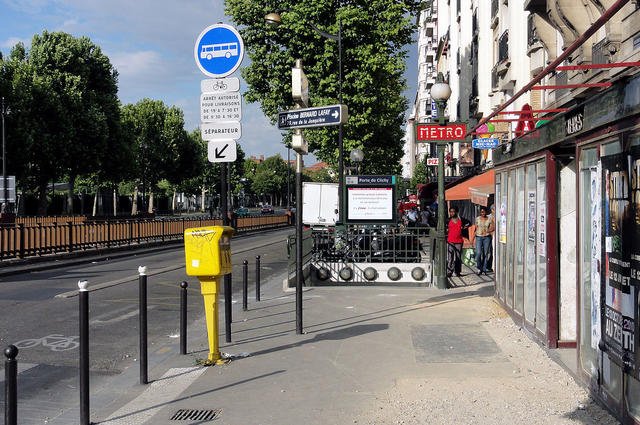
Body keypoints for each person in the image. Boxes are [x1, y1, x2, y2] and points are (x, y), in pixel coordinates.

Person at [446, 206, 470, 277]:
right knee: (450, 256)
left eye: (453, 211)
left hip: (459, 241)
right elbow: (445, 227)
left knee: (458, 257)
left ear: (456, 212)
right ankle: (449, 271)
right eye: (450, 212)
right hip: (450, 240)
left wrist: (463, 228)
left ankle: (457, 271)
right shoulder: (448, 220)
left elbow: (469, 223)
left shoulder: (461, 220)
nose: (452, 213)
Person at [474, 206, 495, 275]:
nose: (483, 213)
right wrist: (472, 238)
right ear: (480, 212)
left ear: (486, 212)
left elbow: (493, 227)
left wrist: (487, 230)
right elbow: (476, 228)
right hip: (478, 237)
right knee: (478, 253)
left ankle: (484, 268)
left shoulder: (489, 219)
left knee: (486, 253)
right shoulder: (477, 219)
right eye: (481, 212)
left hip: (487, 237)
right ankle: (479, 267)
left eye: (484, 212)